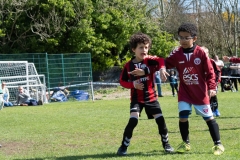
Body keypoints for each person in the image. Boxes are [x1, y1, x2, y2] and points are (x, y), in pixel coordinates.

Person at [163, 22, 224, 155]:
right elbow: (165, 63)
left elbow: (210, 72)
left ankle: (218, 144)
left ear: (194, 38)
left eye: (186, 37)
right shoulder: (177, 54)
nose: (183, 40)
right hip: (184, 92)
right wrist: (159, 66)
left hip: (200, 92)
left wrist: (212, 87)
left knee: (209, 118)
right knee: (183, 117)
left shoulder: (201, 53)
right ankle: (186, 143)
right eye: (180, 37)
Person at [117, 32, 174, 156]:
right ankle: (123, 147)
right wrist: (133, 85)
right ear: (134, 49)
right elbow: (122, 81)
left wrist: (160, 69)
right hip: (137, 99)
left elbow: (161, 61)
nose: (144, 50)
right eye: (141, 47)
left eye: (146, 47)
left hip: (151, 98)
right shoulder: (128, 65)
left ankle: (166, 144)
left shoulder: (150, 61)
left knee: (160, 121)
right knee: (133, 120)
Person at [201, 46, 221, 117]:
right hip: (203, 84)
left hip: (212, 83)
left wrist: (217, 81)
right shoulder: (198, 62)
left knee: (213, 96)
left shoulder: (211, 61)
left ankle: (215, 109)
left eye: (204, 53)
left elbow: (218, 72)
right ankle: (208, 110)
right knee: (205, 97)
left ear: (207, 53)